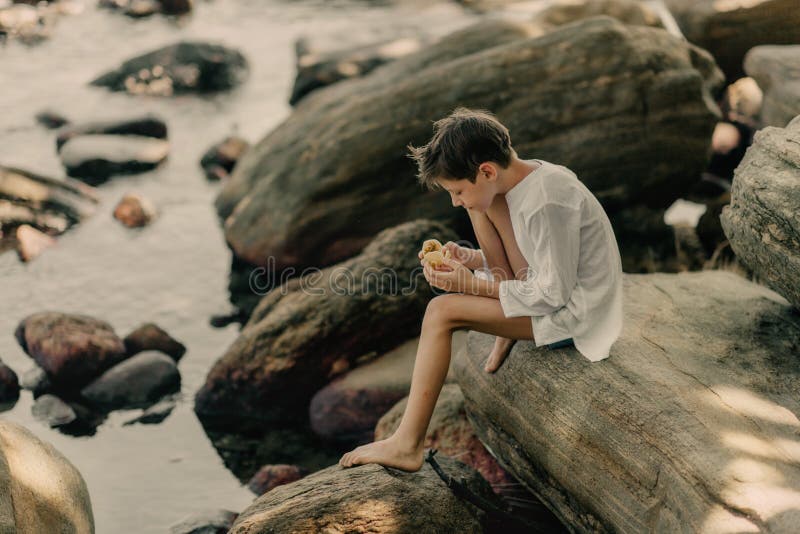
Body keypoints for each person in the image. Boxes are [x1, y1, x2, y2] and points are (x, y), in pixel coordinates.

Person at [338, 107, 623, 472]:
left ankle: (407, 444)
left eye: (456, 190)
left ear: (486, 170)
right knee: (483, 205)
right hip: (552, 294)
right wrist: (473, 260)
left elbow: (553, 293)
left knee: (441, 312)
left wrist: (469, 285)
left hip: (579, 316)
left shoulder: (547, 201)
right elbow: (535, 259)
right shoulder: (521, 182)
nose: (455, 200)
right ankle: (504, 328)